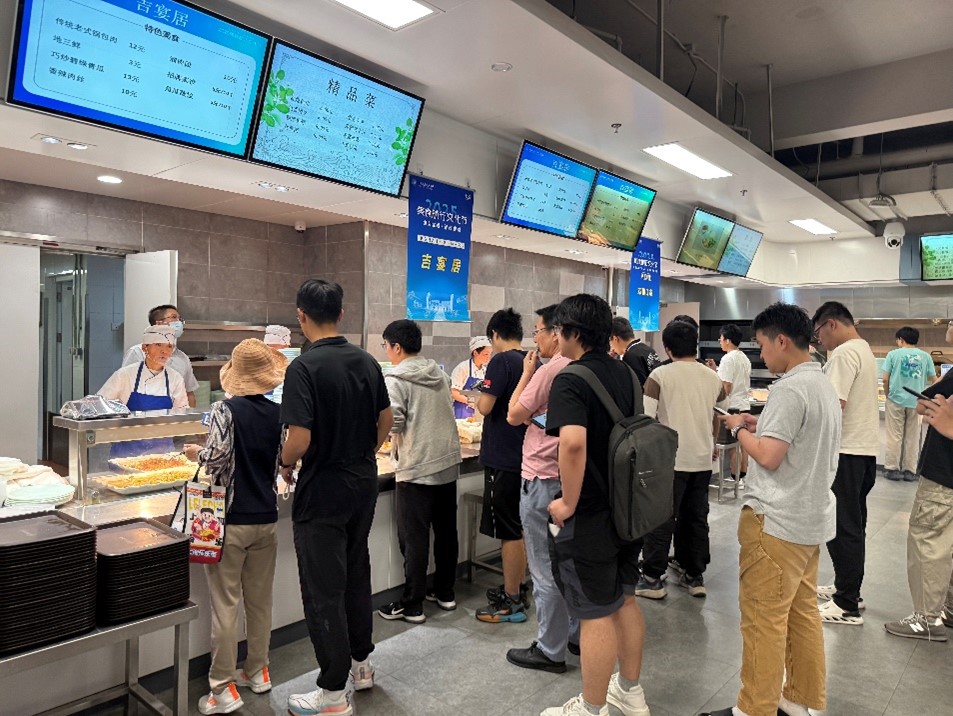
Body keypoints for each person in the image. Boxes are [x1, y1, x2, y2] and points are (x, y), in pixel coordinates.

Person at [704, 302, 839, 716]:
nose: (762, 355)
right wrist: (758, 425)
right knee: (801, 615)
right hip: (808, 520)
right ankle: (799, 702)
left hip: (776, 522)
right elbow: (795, 441)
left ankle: (754, 708)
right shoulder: (821, 382)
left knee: (763, 620)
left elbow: (769, 456)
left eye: (763, 345)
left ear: (782, 341)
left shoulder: (789, 389)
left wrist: (739, 430)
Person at [278, 280, 393, 716]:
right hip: (362, 480)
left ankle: (331, 694)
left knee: (323, 589)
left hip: (323, 487)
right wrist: (365, 451)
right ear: (341, 314)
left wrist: (284, 463)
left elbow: (299, 437)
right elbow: (386, 418)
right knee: (356, 572)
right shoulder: (366, 360)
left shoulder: (303, 368)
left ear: (301, 315)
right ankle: (362, 667)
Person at [544, 294, 650, 716]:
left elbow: (572, 444)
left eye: (557, 330)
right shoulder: (626, 373)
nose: (555, 337)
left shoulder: (571, 379)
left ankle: (591, 709)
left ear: (572, 332)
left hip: (590, 514)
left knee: (594, 613)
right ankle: (630, 692)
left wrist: (568, 503)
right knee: (626, 599)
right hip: (630, 509)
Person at [183, 338, 285, 715]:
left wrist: (195, 453)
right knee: (259, 602)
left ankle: (222, 687)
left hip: (231, 522)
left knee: (226, 605)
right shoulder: (278, 413)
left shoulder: (225, 410)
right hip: (266, 518)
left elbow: (216, 459)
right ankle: (257, 671)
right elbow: (281, 461)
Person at [504, 305, 577, 673]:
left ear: (556, 333)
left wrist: (526, 373)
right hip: (571, 479)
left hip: (542, 479)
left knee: (545, 568)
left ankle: (550, 649)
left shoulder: (549, 370)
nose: (535, 338)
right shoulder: (584, 367)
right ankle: (574, 634)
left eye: (538, 331)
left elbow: (514, 414)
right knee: (568, 564)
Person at [376, 320, 462, 624]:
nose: (386, 351)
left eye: (386, 345)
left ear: (397, 347)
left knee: (414, 539)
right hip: (447, 462)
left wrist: (374, 440)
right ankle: (445, 593)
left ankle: (412, 605)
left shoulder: (395, 379)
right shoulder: (438, 373)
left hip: (417, 467)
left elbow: (394, 422)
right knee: (446, 534)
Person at [637, 320, 726, 599]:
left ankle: (652, 577)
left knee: (662, 518)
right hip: (702, 459)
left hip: (669, 461)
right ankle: (694, 575)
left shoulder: (659, 376)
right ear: (694, 345)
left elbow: (646, 419)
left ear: (667, 348)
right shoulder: (712, 377)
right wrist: (712, 442)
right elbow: (719, 414)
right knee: (695, 517)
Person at [811, 301, 879, 625]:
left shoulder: (843, 354)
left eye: (819, 333)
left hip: (845, 452)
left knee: (843, 527)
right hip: (863, 452)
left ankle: (846, 604)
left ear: (831, 324)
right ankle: (848, 588)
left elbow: (832, 406)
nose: (820, 340)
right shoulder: (863, 349)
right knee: (854, 524)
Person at [882, 374, 953, 641]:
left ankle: (927, 619)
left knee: (928, 543)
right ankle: (948, 609)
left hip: (943, 476)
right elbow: (924, 403)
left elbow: (926, 404)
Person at [474, 308, 530, 623]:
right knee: (520, 527)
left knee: (508, 530)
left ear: (495, 335)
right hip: (525, 456)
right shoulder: (530, 361)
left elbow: (485, 407)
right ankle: (518, 587)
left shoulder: (501, 361)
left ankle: (511, 600)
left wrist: (477, 398)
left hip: (503, 457)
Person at [99, 325, 190, 456]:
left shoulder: (175, 378)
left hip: (162, 452)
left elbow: (182, 414)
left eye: (169, 346)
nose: (164, 351)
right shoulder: (125, 375)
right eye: (158, 345)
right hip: (127, 452)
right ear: (144, 348)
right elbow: (101, 405)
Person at [881, 326, 935, 481]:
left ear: (901, 340)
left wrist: (888, 394)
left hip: (895, 400)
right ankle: (910, 471)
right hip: (917, 402)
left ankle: (892, 469)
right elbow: (934, 380)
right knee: (913, 436)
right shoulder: (925, 357)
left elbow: (885, 379)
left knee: (894, 436)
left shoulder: (893, 354)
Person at [122, 304, 199, 407]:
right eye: (173, 317)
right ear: (158, 324)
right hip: (142, 414)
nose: (179, 322)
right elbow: (124, 390)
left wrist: (190, 415)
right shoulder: (137, 352)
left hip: (176, 415)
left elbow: (189, 393)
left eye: (179, 319)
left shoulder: (182, 357)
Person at [706, 324, 752, 483]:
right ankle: (742, 477)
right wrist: (714, 371)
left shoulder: (728, 358)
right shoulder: (743, 357)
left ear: (728, 340)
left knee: (732, 446)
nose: (720, 341)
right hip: (744, 405)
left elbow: (726, 386)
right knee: (742, 444)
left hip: (731, 407)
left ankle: (734, 478)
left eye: (721, 338)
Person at [609, 316, 661, 388]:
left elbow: (636, 387)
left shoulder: (630, 356)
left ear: (615, 339)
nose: (611, 347)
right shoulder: (647, 349)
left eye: (610, 341)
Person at [451, 336, 492, 419]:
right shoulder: (463, 368)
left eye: (490, 354)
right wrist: (471, 402)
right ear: (475, 353)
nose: (488, 357)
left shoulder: (485, 370)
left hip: (478, 412)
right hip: (462, 411)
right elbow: (453, 393)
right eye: (486, 354)